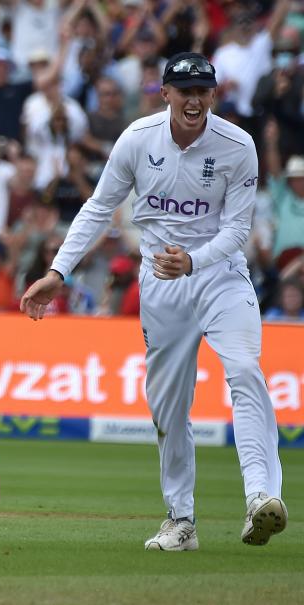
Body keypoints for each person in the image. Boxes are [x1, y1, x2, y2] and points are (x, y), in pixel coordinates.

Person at [21, 53, 286, 551]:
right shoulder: (138, 139)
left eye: (202, 90)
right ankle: (181, 521)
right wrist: (58, 271)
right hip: (161, 284)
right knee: (168, 406)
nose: (194, 99)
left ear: (214, 95)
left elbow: (238, 230)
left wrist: (194, 261)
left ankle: (260, 498)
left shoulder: (237, 145)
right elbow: (99, 206)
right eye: (184, 90)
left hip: (220, 277)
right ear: (164, 93)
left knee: (245, 371)